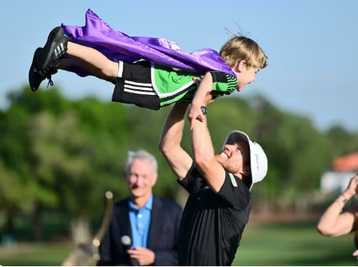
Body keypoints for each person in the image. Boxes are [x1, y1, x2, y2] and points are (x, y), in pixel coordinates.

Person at [29, 9, 267, 127]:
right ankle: (66, 46)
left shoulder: (215, 62)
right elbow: (207, 78)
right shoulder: (229, 80)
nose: (254, 79)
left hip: (157, 79)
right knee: (111, 70)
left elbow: (200, 80)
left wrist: (196, 100)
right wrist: (198, 109)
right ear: (241, 65)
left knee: (104, 73)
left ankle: (53, 61)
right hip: (157, 83)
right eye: (254, 72)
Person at [158, 102, 268, 265]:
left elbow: (203, 159)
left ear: (246, 170)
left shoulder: (241, 195)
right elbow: (168, 148)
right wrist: (184, 100)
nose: (228, 146)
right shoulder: (203, 184)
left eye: (238, 150)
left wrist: (200, 106)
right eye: (231, 144)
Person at [97, 150, 183, 266]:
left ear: (154, 179)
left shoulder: (174, 212)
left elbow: (184, 255)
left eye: (144, 176)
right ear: (125, 176)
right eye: (134, 175)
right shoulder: (111, 214)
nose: (138, 182)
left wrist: (155, 258)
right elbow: (103, 259)